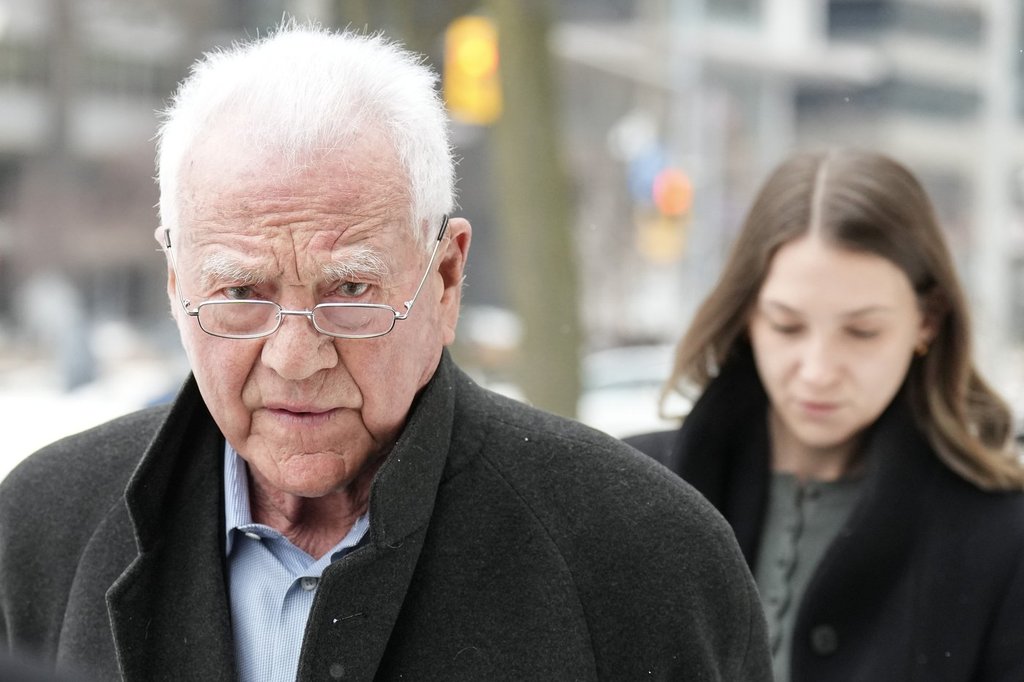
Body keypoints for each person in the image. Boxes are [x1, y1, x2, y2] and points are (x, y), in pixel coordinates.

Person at [0, 22, 772, 682]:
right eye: (241, 296)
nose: (296, 356)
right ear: (176, 285)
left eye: (350, 292)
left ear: (445, 276)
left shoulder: (643, 559)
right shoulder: (42, 528)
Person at [627, 147, 1024, 681]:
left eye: (862, 332)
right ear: (747, 314)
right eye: (787, 326)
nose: (818, 370)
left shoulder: (1003, 539)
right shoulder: (628, 488)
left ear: (926, 322)